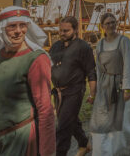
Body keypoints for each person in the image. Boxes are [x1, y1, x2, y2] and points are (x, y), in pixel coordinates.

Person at [0, 6, 55, 156]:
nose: (18, 31)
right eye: (12, 26)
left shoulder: (36, 59)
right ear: (2, 29)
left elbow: (45, 110)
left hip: (20, 142)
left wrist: (47, 152)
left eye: (23, 25)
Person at [89, 13, 130, 156]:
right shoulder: (100, 43)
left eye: (113, 22)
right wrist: (97, 89)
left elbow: (128, 65)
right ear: (102, 26)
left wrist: (127, 88)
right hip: (105, 84)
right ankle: (107, 148)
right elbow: (98, 67)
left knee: (125, 119)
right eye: (107, 23)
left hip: (120, 84)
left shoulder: (123, 41)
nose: (111, 25)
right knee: (103, 118)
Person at [49, 17, 95, 156]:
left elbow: (91, 72)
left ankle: (60, 153)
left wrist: (92, 93)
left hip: (75, 90)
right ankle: (84, 143)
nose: (62, 33)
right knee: (70, 120)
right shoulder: (56, 46)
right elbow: (48, 66)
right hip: (57, 92)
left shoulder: (83, 47)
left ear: (75, 29)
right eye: (60, 30)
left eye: (66, 30)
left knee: (63, 126)